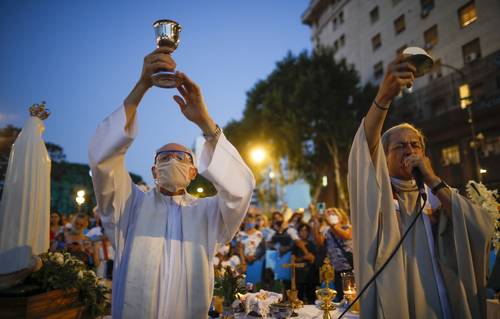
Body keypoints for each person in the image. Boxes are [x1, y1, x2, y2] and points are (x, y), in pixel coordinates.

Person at [88, 47, 255, 319]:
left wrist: (205, 122)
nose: (173, 160)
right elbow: (102, 160)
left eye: (181, 157)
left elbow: (241, 188)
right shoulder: (130, 206)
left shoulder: (208, 213)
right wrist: (141, 86)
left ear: (193, 172)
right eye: (165, 157)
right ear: (155, 170)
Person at [348, 54, 495, 318]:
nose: (409, 150)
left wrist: (433, 180)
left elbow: (480, 228)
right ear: (382, 156)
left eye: (416, 145)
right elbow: (364, 144)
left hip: (446, 303)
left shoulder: (437, 193)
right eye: (400, 146)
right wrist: (383, 97)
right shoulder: (378, 192)